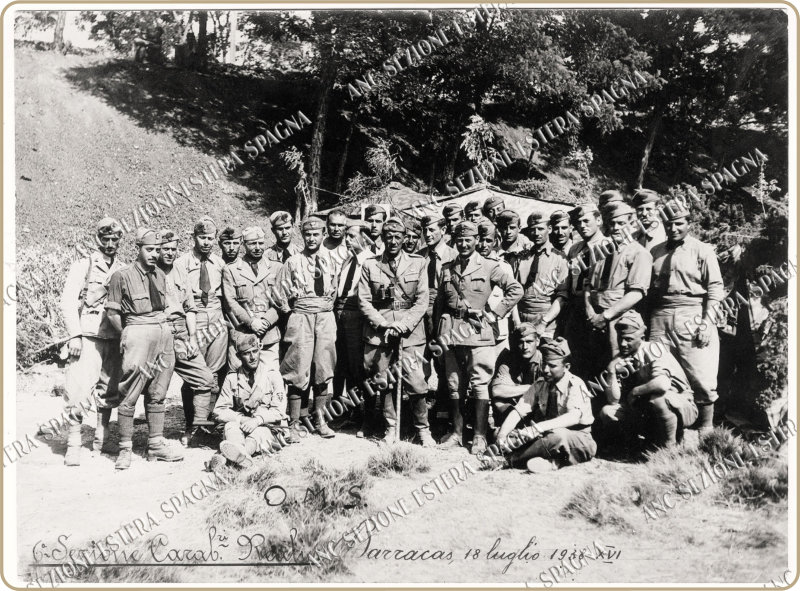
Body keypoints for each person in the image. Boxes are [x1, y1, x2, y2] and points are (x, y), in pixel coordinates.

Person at [436, 220, 523, 455]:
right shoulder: (447, 268)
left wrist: (495, 313)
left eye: (469, 240)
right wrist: (438, 334)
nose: (464, 244)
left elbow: (516, 289)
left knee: (479, 384)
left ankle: (479, 436)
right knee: (454, 385)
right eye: (460, 240)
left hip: (478, 333)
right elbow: (440, 304)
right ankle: (456, 433)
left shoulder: (489, 266)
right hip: (452, 334)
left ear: (476, 240)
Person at [105, 228, 182, 470]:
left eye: (157, 250)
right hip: (138, 333)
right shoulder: (121, 275)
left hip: (163, 333)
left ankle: (155, 445)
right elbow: (112, 313)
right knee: (129, 391)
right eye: (149, 249)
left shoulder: (160, 274)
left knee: (158, 391)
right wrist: (127, 334)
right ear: (137, 249)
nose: (154, 254)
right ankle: (125, 448)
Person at [649, 199, 723, 432]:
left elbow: (715, 288)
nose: (673, 228)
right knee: (660, 370)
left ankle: (706, 428)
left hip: (692, 313)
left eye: (679, 223)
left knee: (700, 372)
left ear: (688, 223)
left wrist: (707, 323)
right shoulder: (655, 251)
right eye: (668, 224)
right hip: (660, 315)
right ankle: (671, 429)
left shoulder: (702, 250)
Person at [359, 217, 433, 446]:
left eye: (397, 237)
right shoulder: (370, 265)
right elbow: (364, 300)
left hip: (410, 332)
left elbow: (422, 300)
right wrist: (383, 324)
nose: (393, 241)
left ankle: (423, 430)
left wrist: (404, 324)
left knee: (416, 381)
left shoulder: (418, 263)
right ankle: (390, 428)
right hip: (380, 332)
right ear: (382, 238)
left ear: (404, 239)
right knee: (384, 381)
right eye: (388, 237)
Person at [59, 217, 126, 466]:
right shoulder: (83, 265)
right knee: (77, 391)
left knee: (109, 390)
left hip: (114, 337)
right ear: (97, 239)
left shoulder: (123, 268)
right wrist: (74, 335)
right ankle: (74, 443)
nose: (110, 244)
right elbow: (68, 301)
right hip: (87, 337)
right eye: (105, 239)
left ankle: (102, 439)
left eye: (114, 239)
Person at [494, 337, 596, 473]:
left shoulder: (576, 385)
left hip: (578, 440)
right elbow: (519, 411)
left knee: (558, 436)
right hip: (546, 437)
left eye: (552, 366)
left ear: (566, 367)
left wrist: (536, 428)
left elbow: (573, 417)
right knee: (504, 433)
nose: (546, 370)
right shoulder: (541, 383)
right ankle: (552, 463)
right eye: (544, 365)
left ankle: (509, 461)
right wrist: (502, 436)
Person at [276, 217, 338, 438]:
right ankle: (293, 423)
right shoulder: (293, 262)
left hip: (325, 317)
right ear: (302, 236)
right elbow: (279, 294)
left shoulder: (332, 260)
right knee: (297, 367)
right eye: (307, 234)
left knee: (323, 367)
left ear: (323, 235)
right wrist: (292, 312)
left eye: (316, 234)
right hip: (301, 317)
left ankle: (320, 420)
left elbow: (335, 289)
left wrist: (325, 308)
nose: (311, 238)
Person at [599, 311, 698, 449]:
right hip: (645, 409)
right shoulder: (622, 357)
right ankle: (635, 447)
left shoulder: (655, 350)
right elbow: (613, 400)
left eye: (628, 339)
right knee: (607, 412)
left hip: (680, 406)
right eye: (620, 338)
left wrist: (635, 391)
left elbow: (662, 384)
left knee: (658, 399)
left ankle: (670, 447)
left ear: (642, 337)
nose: (623, 343)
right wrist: (611, 370)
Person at [158, 230, 215, 447]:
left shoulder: (180, 270)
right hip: (159, 332)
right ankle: (153, 439)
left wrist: (191, 338)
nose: (169, 253)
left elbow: (190, 308)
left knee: (205, 379)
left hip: (181, 332)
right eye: (165, 249)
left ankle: (196, 429)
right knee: (156, 390)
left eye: (173, 249)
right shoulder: (149, 272)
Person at [585, 202, 652, 379]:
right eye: (612, 223)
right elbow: (588, 285)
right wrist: (590, 312)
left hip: (619, 320)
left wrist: (605, 316)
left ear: (632, 224)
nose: (616, 228)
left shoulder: (639, 253)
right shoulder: (600, 251)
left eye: (621, 223)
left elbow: (636, 293)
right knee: (593, 367)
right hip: (594, 319)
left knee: (616, 368)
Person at [174, 216, 228, 429]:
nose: (206, 242)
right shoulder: (181, 264)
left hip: (216, 318)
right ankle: (191, 423)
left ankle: (206, 421)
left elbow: (225, 296)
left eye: (210, 238)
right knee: (194, 373)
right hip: (193, 319)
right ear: (194, 237)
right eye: (202, 237)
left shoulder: (219, 264)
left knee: (214, 373)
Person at [213, 333, 288, 468]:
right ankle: (239, 457)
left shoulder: (272, 375)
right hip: (243, 425)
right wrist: (241, 419)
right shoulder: (232, 378)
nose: (253, 357)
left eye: (255, 351)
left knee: (258, 433)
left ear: (260, 350)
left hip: (267, 427)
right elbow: (219, 411)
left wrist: (257, 420)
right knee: (230, 427)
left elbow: (279, 411)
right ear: (239, 356)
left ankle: (235, 456)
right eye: (247, 353)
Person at [222, 226, 284, 379]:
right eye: (252, 243)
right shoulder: (231, 270)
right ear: (243, 244)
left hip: (268, 336)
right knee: (239, 380)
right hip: (242, 334)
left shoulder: (277, 267)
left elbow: (280, 301)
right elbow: (230, 302)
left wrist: (265, 322)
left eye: (260, 243)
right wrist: (251, 322)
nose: (257, 247)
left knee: (270, 378)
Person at [333, 219, 374, 435]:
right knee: (345, 367)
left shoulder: (371, 261)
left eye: (351, 236)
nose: (346, 239)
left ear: (364, 238)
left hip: (358, 317)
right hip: (341, 314)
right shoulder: (348, 260)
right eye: (346, 235)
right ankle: (352, 413)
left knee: (360, 369)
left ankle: (367, 418)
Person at [418, 213, 457, 420]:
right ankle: (420, 411)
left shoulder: (454, 255)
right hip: (421, 312)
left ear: (443, 230)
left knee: (444, 361)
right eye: (425, 230)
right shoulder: (419, 256)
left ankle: (443, 411)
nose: (428, 234)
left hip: (444, 311)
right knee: (420, 359)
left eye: (432, 229)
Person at [564, 203, 609, 378]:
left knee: (597, 357)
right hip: (576, 307)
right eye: (578, 222)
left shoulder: (608, 246)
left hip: (597, 308)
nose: (581, 226)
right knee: (575, 356)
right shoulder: (575, 249)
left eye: (586, 221)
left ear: (598, 220)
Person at [510, 211, 569, 337]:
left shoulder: (560, 259)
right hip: (521, 317)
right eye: (533, 229)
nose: (536, 233)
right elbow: (513, 291)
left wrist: (544, 322)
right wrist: (517, 322)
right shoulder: (521, 258)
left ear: (549, 229)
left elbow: (562, 296)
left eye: (540, 229)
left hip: (547, 319)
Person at [489, 322, 542, 426]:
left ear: (537, 341)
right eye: (521, 342)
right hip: (515, 406)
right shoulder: (509, 358)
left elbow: (545, 391)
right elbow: (496, 390)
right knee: (498, 400)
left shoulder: (544, 360)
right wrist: (532, 387)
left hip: (536, 406)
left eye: (529, 342)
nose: (525, 347)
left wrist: (515, 388)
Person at [476, 220, 514, 354]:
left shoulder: (503, 266)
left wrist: (497, 313)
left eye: (488, 241)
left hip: (498, 327)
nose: (483, 245)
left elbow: (513, 294)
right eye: (480, 240)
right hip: (474, 329)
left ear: (495, 241)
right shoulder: (469, 264)